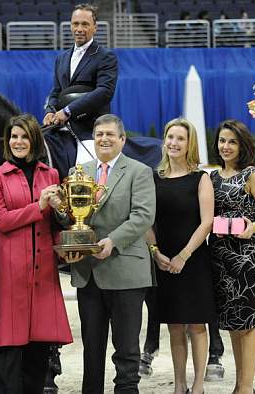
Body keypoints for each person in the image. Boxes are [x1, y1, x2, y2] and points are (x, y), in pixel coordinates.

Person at [61, 114, 156, 393]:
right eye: (99, 134)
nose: (104, 139)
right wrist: (59, 208)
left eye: (110, 134)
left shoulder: (139, 171)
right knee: (91, 348)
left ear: (122, 140)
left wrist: (112, 241)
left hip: (126, 271)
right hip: (88, 271)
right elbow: (73, 216)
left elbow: (143, 216)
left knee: (126, 349)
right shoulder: (79, 172)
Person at [0, 114, 73, 393]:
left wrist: (66, 242)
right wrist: (40, 205)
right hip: (11, 271)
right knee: (7, 347)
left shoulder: (51, 174)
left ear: (34, 139)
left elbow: (57, 222)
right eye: (13, 137)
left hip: (44, 268)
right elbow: (2, 220)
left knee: (39, 349)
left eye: (24, 136)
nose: (18, 142)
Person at [146, 118, 216, 394]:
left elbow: (207, 222)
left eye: (180, 139)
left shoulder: (201, 179)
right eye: (170, 137)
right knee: (174, 326)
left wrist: (184, 255)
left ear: (190, 144)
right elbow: (147, 222)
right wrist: (156, 253)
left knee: (197, 325)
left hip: (194, 260)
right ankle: (180, 385)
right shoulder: (155, 178)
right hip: (164, 261)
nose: (174, 143)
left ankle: (198, 385)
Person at [210, 120, 255, 394]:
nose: (226, 146)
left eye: (232, 142)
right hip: (218, 255)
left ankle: (246, 388)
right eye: (222, 140)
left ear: (242, 145)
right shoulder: (212, 178)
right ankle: (240, 384)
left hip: (244, 255)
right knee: (232, 323)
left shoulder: (251, 176)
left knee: (247, 323)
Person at [42, 3, 118, 176]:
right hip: (59, 127)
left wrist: (68, 111)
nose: (79, 29)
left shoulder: (105, 56)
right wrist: (49, 110)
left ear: (95, 27)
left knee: (84, 177)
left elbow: (105, 92)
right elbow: (56, 92)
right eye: (75, 24)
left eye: (85, 24)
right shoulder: (61, 58)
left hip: (89, 129)